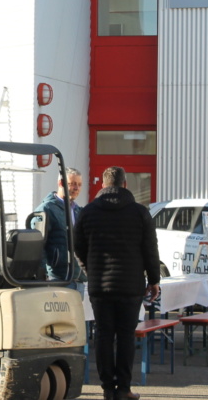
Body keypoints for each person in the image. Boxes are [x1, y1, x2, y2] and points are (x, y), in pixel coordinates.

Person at [73, 166, 160, 400]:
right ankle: (123, 388)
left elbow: (78, 247)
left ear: (103, 185)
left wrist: (90, 270)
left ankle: (107, 389)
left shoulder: (88, 212)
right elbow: (150, 249)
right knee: (125, 336)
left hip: (100, 285)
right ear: (125, 184)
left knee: (103, 335)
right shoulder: (140, 213)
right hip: (130, 285)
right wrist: (154, 280)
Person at [32, 167, 85, 284]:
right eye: (73, 184)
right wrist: (42, 275)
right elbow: (37, 246)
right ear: (61, 183)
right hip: (56, 279)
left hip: (78, 280)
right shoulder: (46, 209)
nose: (77, 188)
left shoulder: (77, 211)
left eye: (79, 184)